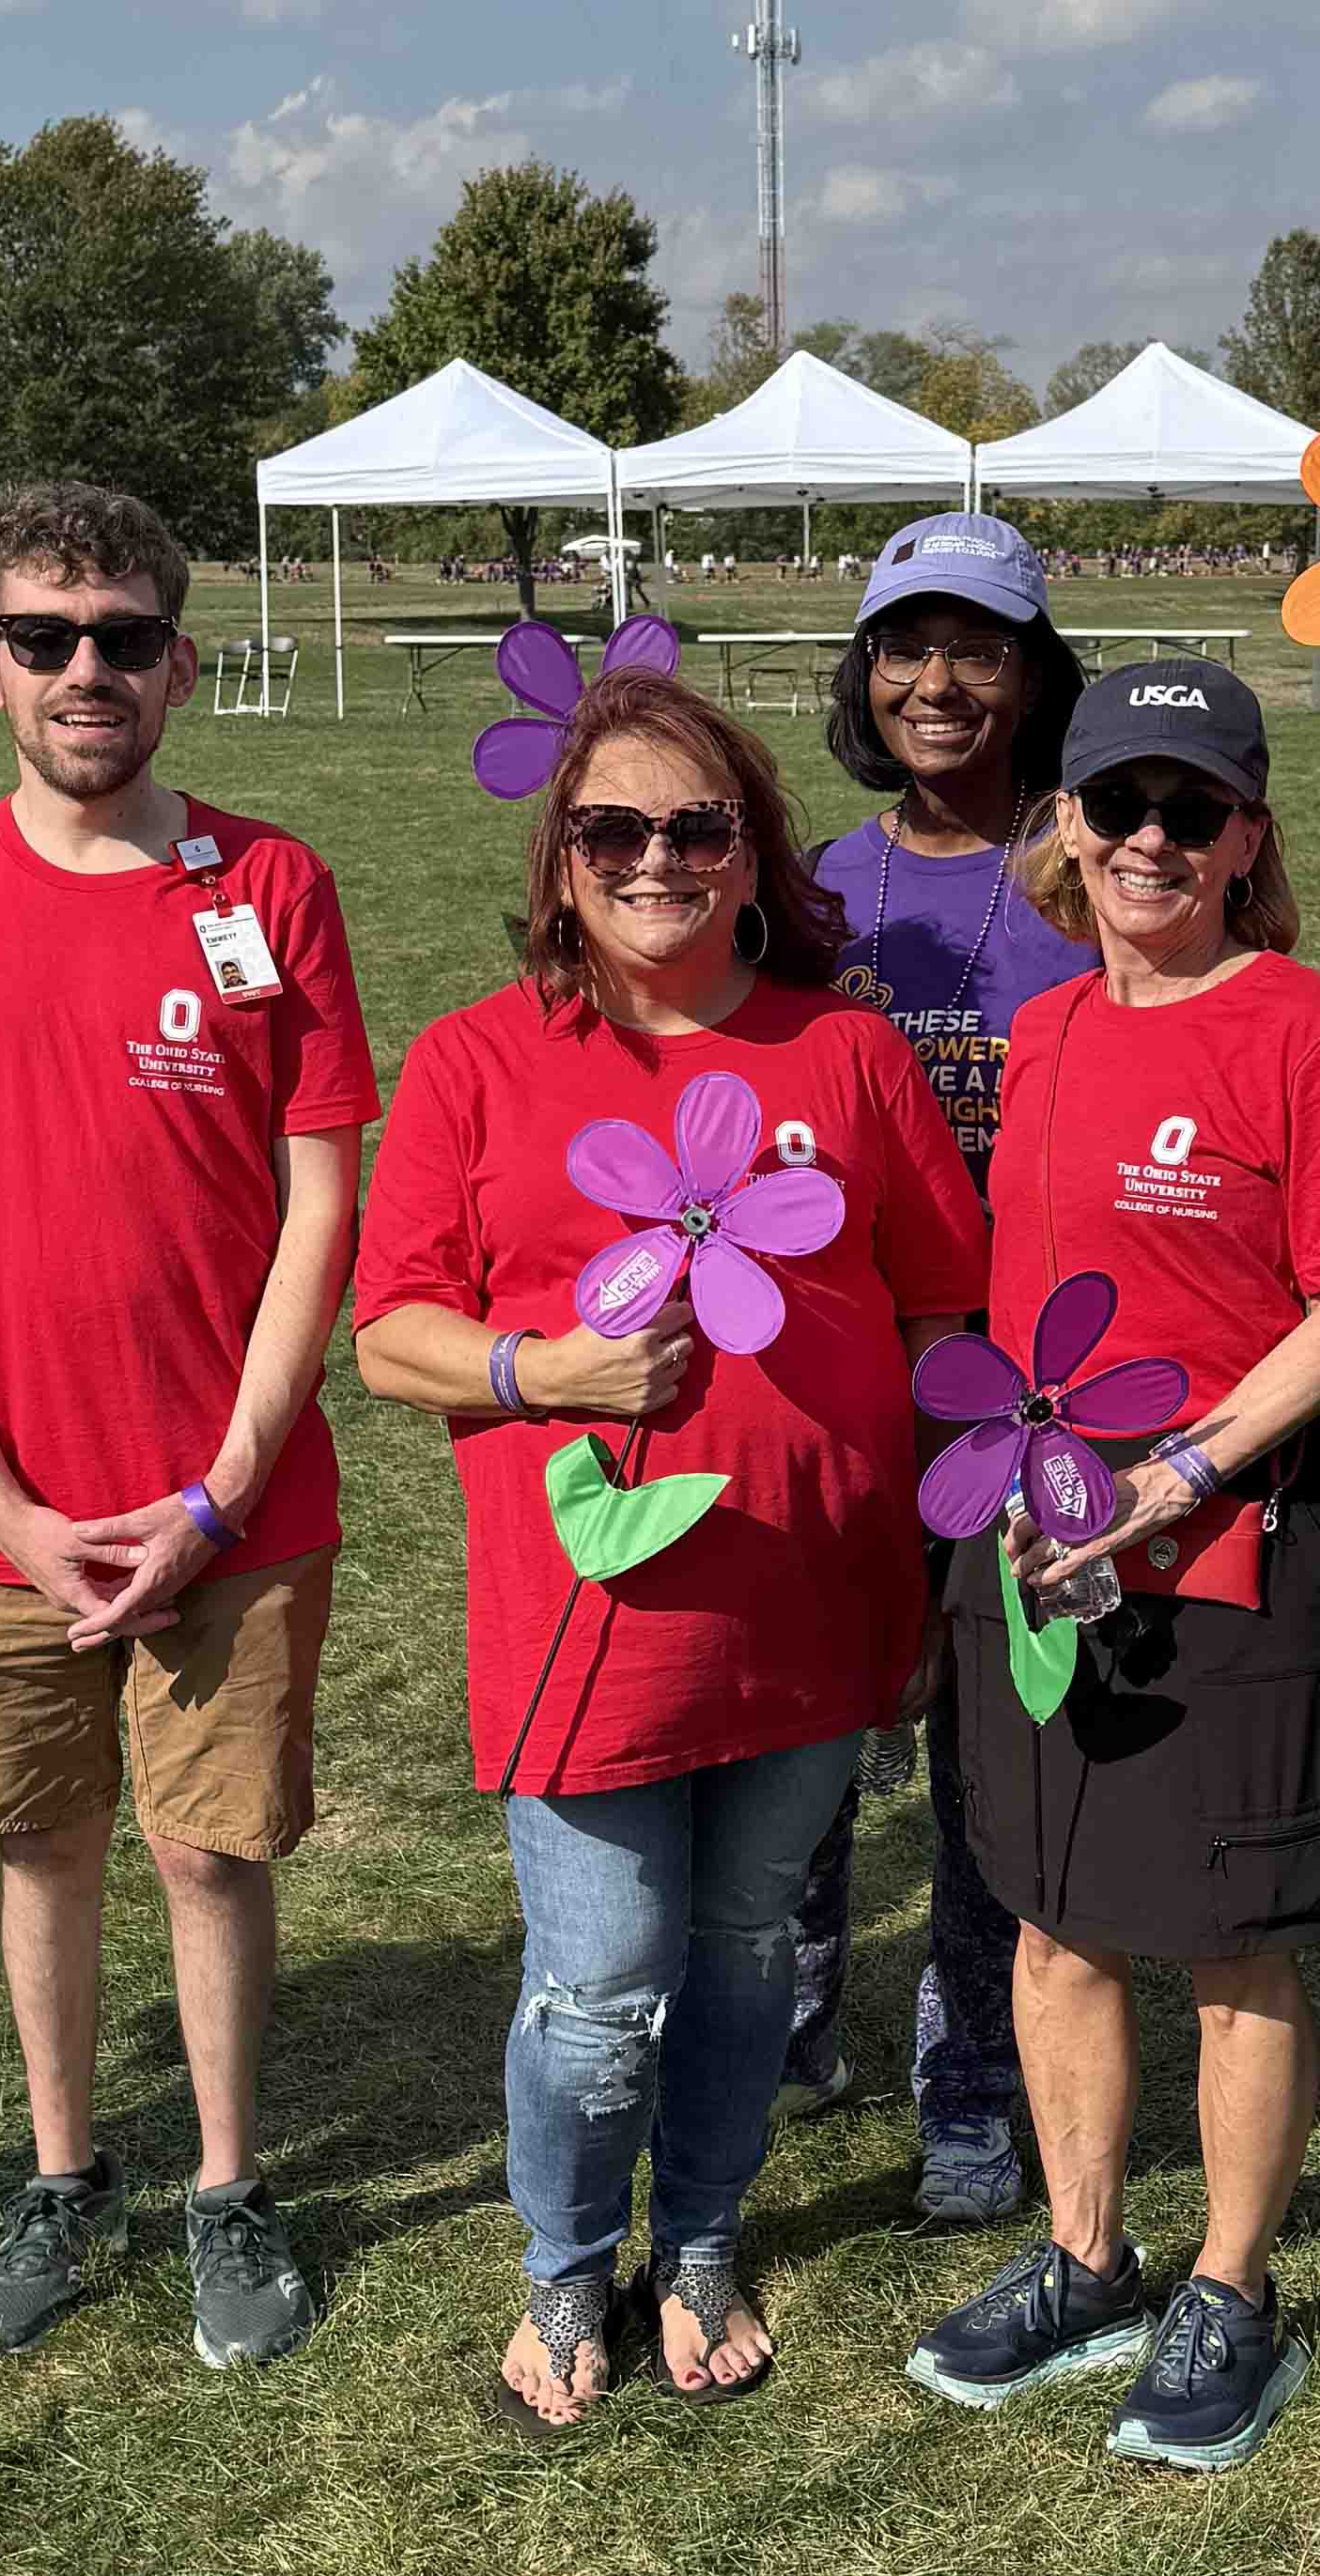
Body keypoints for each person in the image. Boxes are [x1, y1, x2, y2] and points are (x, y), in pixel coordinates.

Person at [352, 669, 990, 2432]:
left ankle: (699, 2237)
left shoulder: (843, 1050)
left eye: (695, 828)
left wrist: (943, 1544)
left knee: (736, 1952)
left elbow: (942, 1305)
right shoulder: (486, 1057)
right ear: (559, 867)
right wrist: (537, 1369)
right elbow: (388, 1326)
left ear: (750, 858)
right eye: (612, 831)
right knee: (596, 1982)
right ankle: (565, 2271)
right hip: (592, 1604)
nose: (655, 861)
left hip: (810, 1588)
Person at [0, 482, 374, 2366]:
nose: (86, 671)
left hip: (232, 1508)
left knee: (213, 1852)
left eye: (123, 637)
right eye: (45, 638)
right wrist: (12, 1502)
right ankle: (65, 2181)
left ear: (182, 662)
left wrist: (216, 1493)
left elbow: (319, 1208)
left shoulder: (271, 886)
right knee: (39, 1846)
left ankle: (226, 2187)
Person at [903, 659, 1320, 2474]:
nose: (1149, 839)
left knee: (1229, 1945)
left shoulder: (1299, 1029)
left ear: (1250, 838)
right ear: (1067, 822)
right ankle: (1083, 2251)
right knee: (1049, 1916)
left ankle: (1229, 2285)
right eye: (1117, 801)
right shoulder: (1043, 1034)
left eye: (1193, 810)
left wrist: (1183, 1466)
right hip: (1039, 1547)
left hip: (1225, 1549)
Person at [774, 510, 1095, 2225]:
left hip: (1032, 1383)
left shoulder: (1097, 855)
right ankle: (795, 2012)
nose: (939, 681)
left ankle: (972, 2070)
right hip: (833, 1373)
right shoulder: (815, 882)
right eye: (906, 645)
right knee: (819, 1724)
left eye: (980, 646)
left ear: (1039, 674)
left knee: (989, 1746)